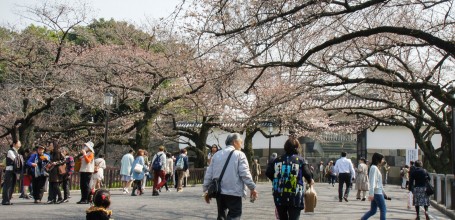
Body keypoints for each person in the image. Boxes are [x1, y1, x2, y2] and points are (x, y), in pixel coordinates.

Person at [203, 133, 258, 220]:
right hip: (234, 192)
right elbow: (245, 173)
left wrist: (206, 190)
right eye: (241, 141)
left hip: (219, 191)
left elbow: (209, 174)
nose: (242, 143)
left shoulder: (216, 155)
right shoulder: (240, 155)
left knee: (221, 216)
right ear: (235, 142)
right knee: (234, 215)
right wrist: (252, 187)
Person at [265, 137, 314, 220]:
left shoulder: (277, 160)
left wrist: (276, 179)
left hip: (279, 194)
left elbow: (268, 172)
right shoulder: (300, 160)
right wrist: (310, 181)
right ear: (297, 148)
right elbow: (308, 175)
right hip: (295, 195)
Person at [361, 152, 387, 220]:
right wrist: (371, 194)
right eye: (382, 159)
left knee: (373, 211)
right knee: (383, 209)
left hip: (377, 192)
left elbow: (379, 183)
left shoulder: (375, 167)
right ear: (378, 159)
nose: (383, 160)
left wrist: (384, 193)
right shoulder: (374, 168)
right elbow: (372, 181)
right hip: (377, 193)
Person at [2, 140, 23, 205]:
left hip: (14, 171)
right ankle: (5, 200)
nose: (20, 144)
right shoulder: (10, 151)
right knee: (8, 185)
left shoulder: (16, 152)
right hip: (9, 170)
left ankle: (8, 199)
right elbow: (15, 160)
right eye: (19, 143)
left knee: (12, 185)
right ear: (14, 144)